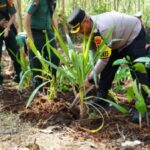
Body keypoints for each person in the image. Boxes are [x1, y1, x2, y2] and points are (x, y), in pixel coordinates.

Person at [67, 8, 150, 123]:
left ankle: (142, 107)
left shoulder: (102, 28)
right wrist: (88, 73)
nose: (80, 33)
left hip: (133, 35)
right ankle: (102, 98)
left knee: (137, 69)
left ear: (86, 21)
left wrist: (90, 79)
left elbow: (104, 59)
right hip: (116, 41)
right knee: (107, 68)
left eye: (80, 29)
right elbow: (95, 56)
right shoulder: (91, 31)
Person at [24, 0, 59, 92]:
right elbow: (27, 17)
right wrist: (30, 37)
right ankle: (38, 90)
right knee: (36, 62)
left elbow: (51, 16)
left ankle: (51, 86)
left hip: (48, 33)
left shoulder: (53, 1)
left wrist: (56, 33)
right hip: (35, 33)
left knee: (54, 57)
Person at [0, 0, 22, 91]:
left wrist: (8, 28)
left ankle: (19, 77)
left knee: (15, 50)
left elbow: (13, 16)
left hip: (7, 26)